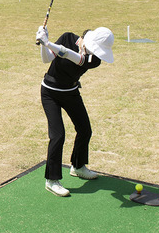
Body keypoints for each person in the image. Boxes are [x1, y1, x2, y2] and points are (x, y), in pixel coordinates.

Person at [35, 26, 115, 197]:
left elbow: (71, 56)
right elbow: (46, 59)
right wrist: (43, 43)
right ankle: (52, 180)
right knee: (58, 135)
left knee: (85, 129)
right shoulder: (67, 37)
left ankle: (78, 166)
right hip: (49, 92)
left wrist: (48, 42)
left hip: (70, 93)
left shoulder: (94, 60)